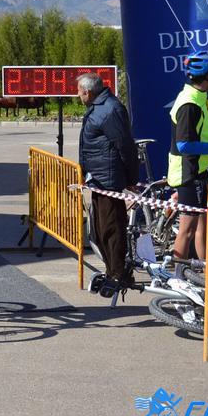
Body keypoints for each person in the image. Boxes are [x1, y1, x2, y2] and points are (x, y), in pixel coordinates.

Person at [77, 73, 140, 298]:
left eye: (79, 91)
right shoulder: (98, 107)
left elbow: (125, 146)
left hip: (109, 180)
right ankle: (112, 270)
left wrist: (131, 179)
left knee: (111, 229)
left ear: (88, 92)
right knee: (99, 230)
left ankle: (118, 274)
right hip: (98, 179)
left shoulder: (110, 109)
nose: (78, 95)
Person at [167, 51, 208, 261]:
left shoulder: (198, 97)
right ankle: (178, 274)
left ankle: (205, 272)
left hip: (199, 170)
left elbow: (198, 133)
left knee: (202, 227)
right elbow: (184, 144)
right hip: (188, 172)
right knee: (187, 230)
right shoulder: (190, 104)